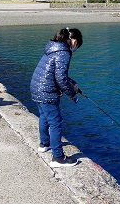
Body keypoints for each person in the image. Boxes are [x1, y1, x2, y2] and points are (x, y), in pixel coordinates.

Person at [30, 28, 83, 168]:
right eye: (77, 45)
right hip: (46, 91)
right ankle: (58, 157)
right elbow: (60, 78)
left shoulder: (53, 47)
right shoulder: (64, 52)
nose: (75, 48)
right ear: (75, 42)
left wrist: (72, 83)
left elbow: (56, 73)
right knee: (56, 122)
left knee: (44, 116)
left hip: (36, 87)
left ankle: (44, 144)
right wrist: (72, 93)